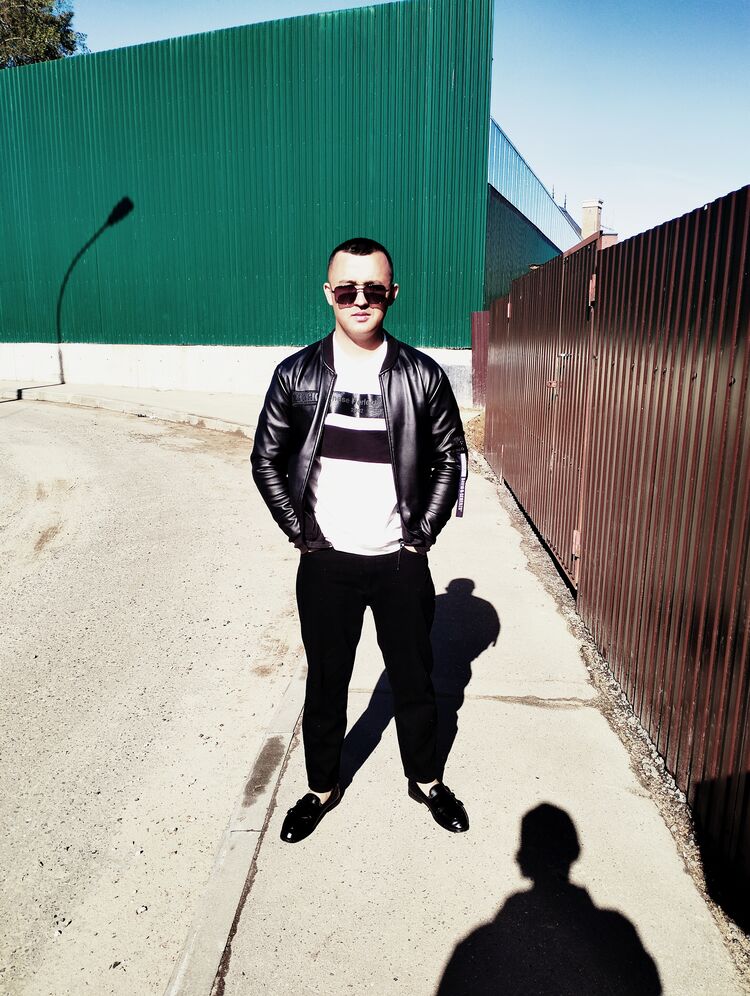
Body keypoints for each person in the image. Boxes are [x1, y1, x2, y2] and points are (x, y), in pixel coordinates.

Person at [251, 237, 469, 843]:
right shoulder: (295, 374)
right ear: (329, 294)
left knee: (414, 679)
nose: (360, 300)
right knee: (326, 680)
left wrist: (420, 536)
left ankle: (426, 779)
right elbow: (266, 459)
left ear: (392, 294)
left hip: (400, 560)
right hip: (327, 561)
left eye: (373, 289)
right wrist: (301, 531)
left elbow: (451, 457)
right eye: (347, 289)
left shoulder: (421, 375)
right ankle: (321, 786)